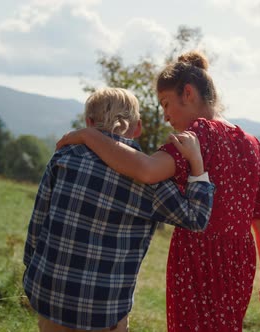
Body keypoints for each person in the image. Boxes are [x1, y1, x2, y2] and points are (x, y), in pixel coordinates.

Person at [56, 51, 260, 332]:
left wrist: (89, 135)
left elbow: (146, 169)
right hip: (239, 261)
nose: (165, 116)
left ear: (188, 93)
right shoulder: (252, 142)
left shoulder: (199, 133)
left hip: (199, 258)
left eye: (166, 104)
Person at [23, 87, 215, 332]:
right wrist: (196, 164)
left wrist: (31, 273)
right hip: (104, 310)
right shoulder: (148, 179)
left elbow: (38, 221)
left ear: (89, 123)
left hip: (47, 294)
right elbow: (196, 218)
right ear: (137, 128)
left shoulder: (64, 157)